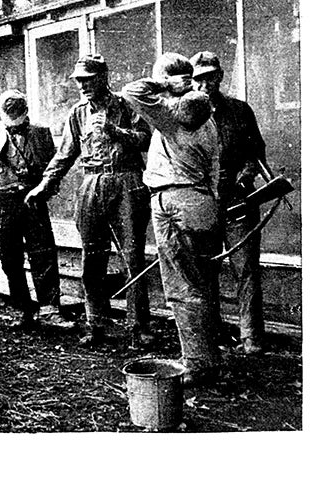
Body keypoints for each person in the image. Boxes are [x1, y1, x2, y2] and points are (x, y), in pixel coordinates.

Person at [24, 55, 153, 347]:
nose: (83, 85)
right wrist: (44, 185)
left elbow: (146, 140)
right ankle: (96, 323)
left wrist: (114, 132)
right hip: (91, 183)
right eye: (79, 80)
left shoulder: (126, 105)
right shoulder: (78, 113)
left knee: (132, 256)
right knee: (91, 256)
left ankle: (138, 327)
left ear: (104, 76)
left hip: (126, 181)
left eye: (89, 78)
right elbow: (65, 154)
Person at [120, 52, 223, 386]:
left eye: (163, 82)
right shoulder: (200, 112)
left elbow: (131, 91)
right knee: (198, 282)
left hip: (178, 199)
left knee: (183, 286)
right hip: (197, 199)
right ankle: (204, 359)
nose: (158, 93)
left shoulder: (176, 112)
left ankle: (198, 364)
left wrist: (166, 84)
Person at [190, 51, 268, 355]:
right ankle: (211, 334)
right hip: (203, 201)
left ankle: (251, 338)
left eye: (210, 76)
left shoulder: (239, 111)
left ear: (220, 76)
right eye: (198, 79)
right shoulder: (188, 117)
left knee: (246, 268)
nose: (205, 84)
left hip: (239, 200)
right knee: (204, 269)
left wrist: (245, 175)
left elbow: (256, 153)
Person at [0, 90, 62, 327]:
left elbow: (53, 170)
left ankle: (50, 310)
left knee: (43, 254)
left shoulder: (41, 132)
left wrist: (44, 192)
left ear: (26, 112)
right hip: (4, 202)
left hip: (32, 200)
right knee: (8, 258)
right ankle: (23, 310)